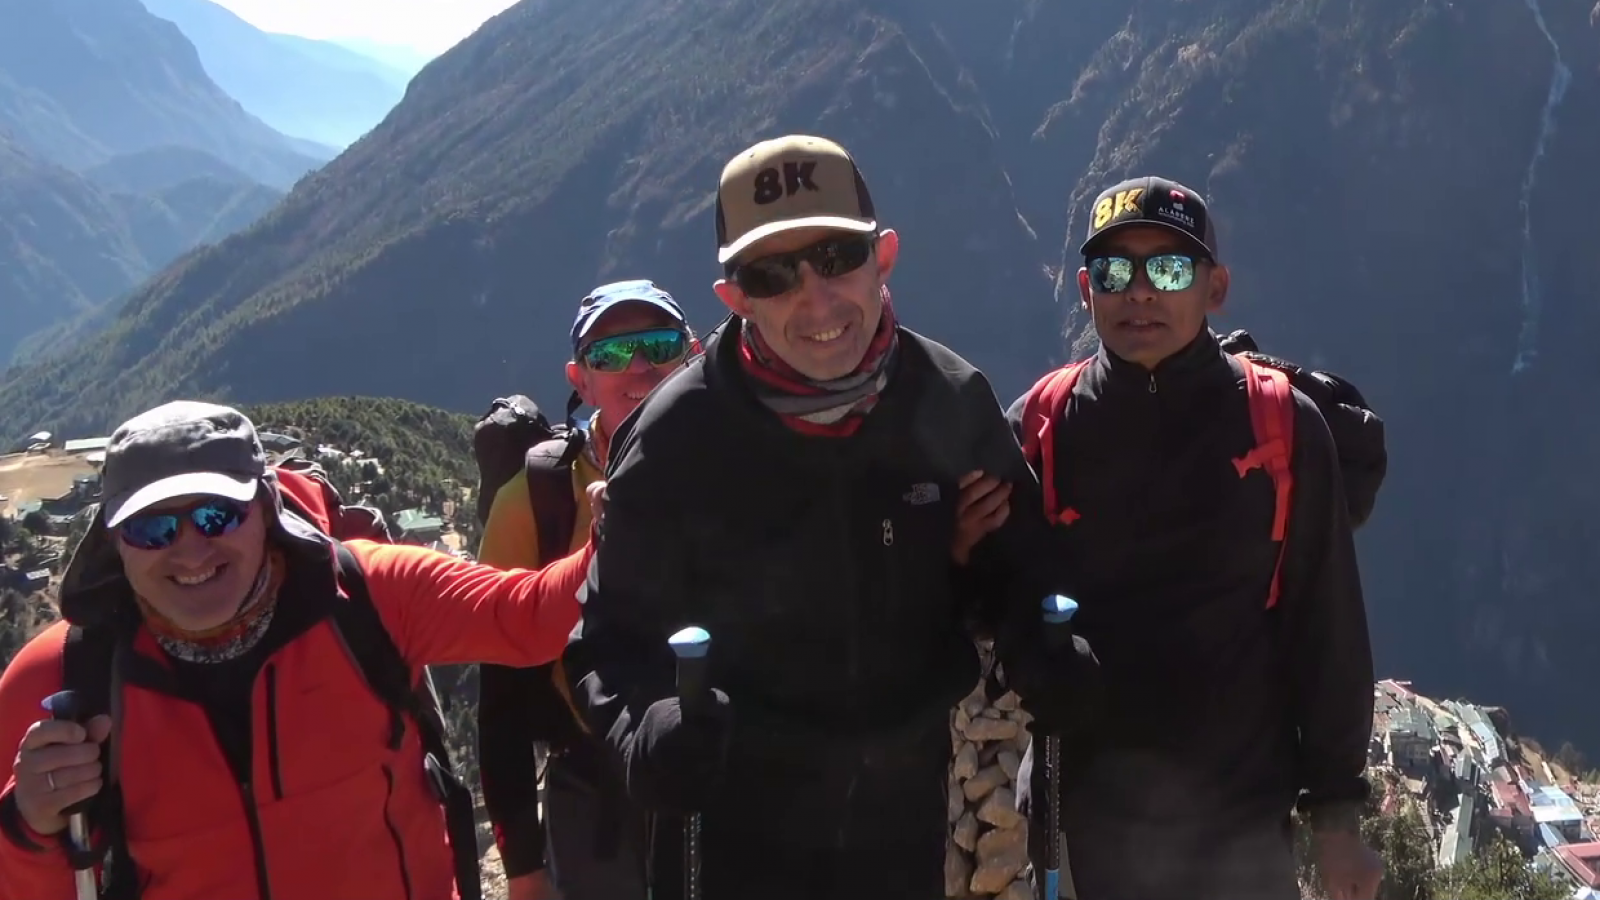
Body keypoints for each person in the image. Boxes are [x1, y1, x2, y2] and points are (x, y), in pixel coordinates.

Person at [560, 134, 1099, 900]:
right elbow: (607, 643)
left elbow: (1014, 565)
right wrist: (646, 735)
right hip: (735, 827)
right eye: (773, 274)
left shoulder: (948, 400)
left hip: (903, 814)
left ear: (883, 256)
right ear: (733, 297)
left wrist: (1041, 644)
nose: (815, 300)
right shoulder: (677, 440)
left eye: (837, 258)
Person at [0, 400, 594, 900]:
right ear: (114, 542)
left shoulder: (368, 595)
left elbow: (528, 617)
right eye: (153, 529)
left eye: (216, 515)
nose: (189, 551)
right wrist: (26, 827)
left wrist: (624, 522)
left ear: (265, 508)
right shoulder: (59, 681)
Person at [1006, 176, 1384, 900]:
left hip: (1237, 829)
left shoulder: (1283, 425)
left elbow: (1327, 625)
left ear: (1216, 289)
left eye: (1170, 268)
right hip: (1083, 821)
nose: (1139, 292)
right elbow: (997, 590)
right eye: (1116, 271)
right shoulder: (1041, 427)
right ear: (1086, 288)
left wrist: (1337, 821)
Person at [476, 280, 696, 900]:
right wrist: (522, 865)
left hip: (725, 766)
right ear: (579, 378)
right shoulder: (534, 501)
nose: (641, 367)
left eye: (659, 345)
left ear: (694, 353)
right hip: (593, 788)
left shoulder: (746, 472)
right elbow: (502, 696)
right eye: (611, 356)